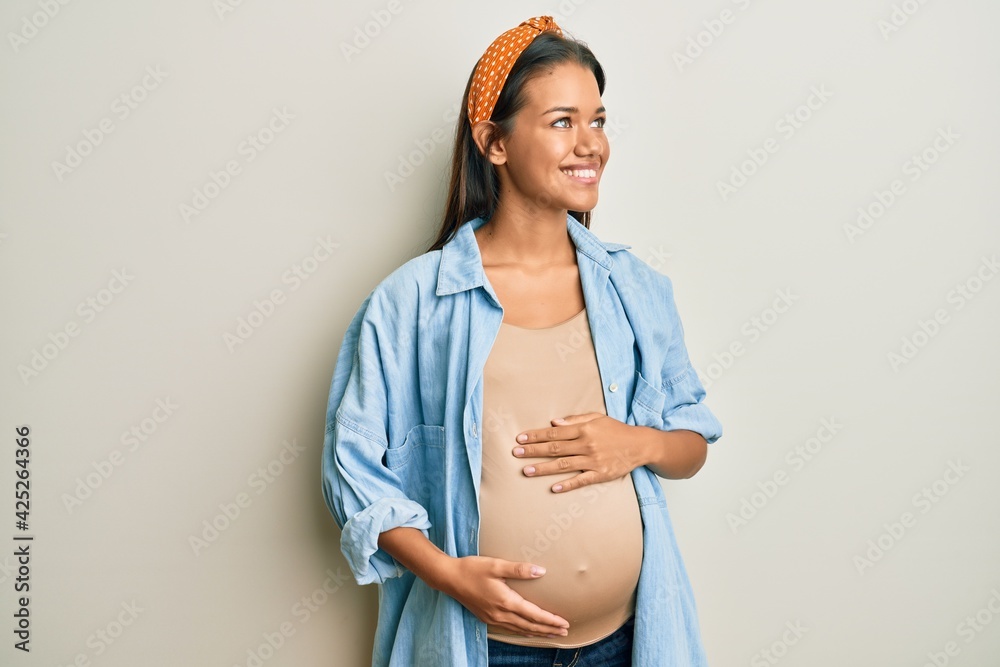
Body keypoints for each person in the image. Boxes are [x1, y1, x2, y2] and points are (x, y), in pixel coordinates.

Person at [321, 16, 723, 667]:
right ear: (494, 142)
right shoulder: (414, 301)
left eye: (598, 119)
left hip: (625, 643)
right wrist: (450, 577)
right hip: (486, 646)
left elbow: (691, 441)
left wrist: (639, 443)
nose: (591, 143)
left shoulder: (635, 289)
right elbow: (353, 470)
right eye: (563, 121)